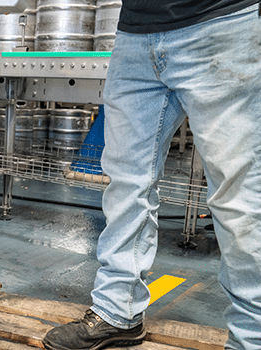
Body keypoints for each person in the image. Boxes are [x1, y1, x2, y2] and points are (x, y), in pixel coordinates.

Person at [42, 1, 261, 349]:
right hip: (134, 34)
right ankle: (118, 311)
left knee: (239, 198)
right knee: (126, 185)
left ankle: (252, 338)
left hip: (222, 21)